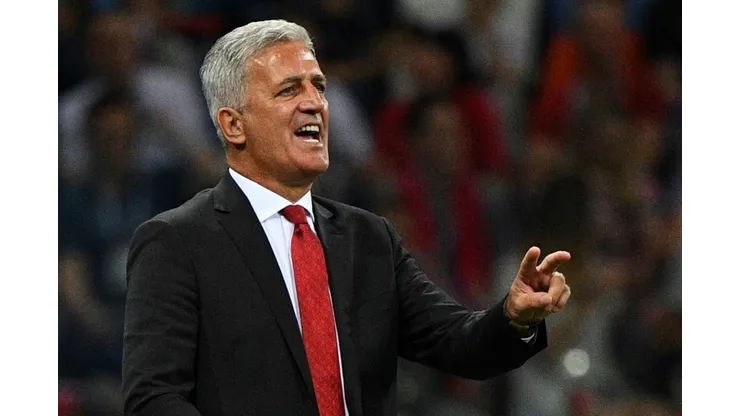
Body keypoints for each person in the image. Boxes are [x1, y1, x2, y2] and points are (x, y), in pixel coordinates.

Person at [122, 19, 572, 416]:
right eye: (289, 90)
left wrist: (514, 317)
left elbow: (459, 342)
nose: (314, 103)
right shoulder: (177, 242)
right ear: (233, 124)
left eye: (318, 86)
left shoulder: (369, 238)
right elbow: (154, 399)